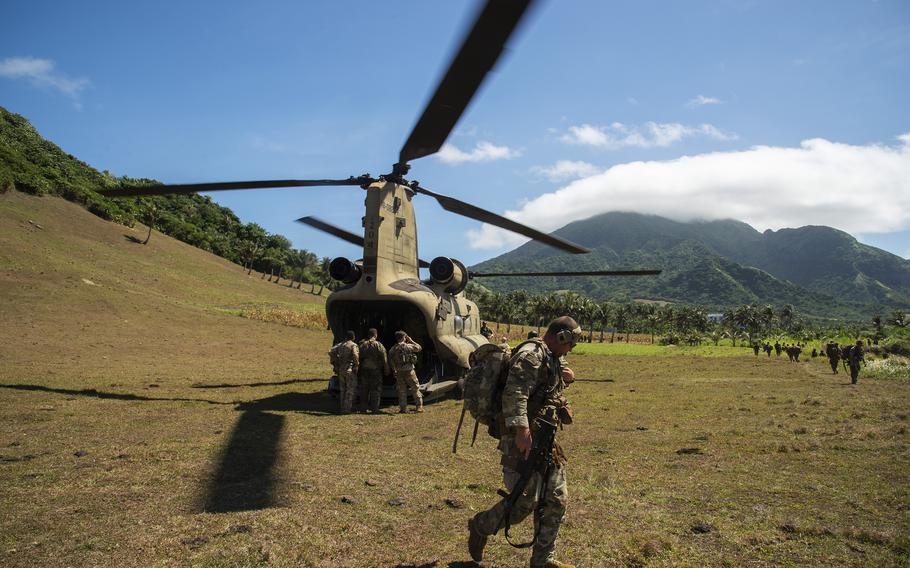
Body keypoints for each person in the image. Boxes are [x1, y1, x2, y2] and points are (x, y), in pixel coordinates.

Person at [468, 316, 580, 568]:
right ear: (560, 337)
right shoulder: (530, 355)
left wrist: (566, 380)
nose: (572, 349)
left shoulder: (553, 356)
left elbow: (545, 391)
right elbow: (514, 394)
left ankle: (543, 561)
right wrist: (521, 431)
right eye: (570, 343)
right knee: (524, 500)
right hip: (523, 437)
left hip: (546, 437)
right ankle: (481, 525)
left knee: (556, 499)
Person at [388, 331, 424, 413]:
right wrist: (411, 340)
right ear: (404, 337)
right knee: (415, 388)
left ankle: (403, 408)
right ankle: (419, 407)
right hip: (409, 370)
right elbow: (419, 348)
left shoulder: (393, 348)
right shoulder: (409, 346)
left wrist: (394, 370)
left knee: (401, 390)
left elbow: (390, 359)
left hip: (399, 371)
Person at [358, 328, 390, 413]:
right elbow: (384, 357)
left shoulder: (362, 345)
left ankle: (363, 408)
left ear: (368, 335)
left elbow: (358, 357)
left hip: (364, 369)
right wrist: (386, 368)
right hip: (375, 369)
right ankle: (374, 408)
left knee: (364, 389)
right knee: (375, 389)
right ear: (375, 335)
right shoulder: (378, 345)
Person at [329, 331, 359, 414]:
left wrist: (335, 363)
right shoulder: (353, 345)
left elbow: (331, 352)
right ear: (353, 337)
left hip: (341, 370)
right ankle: (347, 409)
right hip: (349, 370)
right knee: (350, 389)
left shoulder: (340, 345)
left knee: (343, 390)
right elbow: (355, 355)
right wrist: (356, 365)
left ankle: (342, 407)